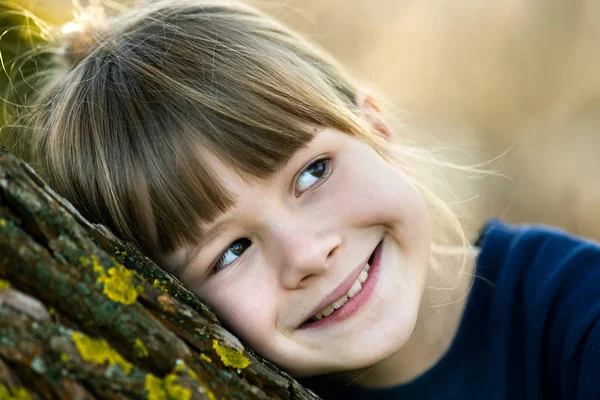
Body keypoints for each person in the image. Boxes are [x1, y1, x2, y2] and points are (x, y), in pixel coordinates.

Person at [2, 1, 599, 398]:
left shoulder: (573, 310)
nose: (307, 254)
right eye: (230, 252)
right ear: (170, 301)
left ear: (376, 127)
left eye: (312, 173)